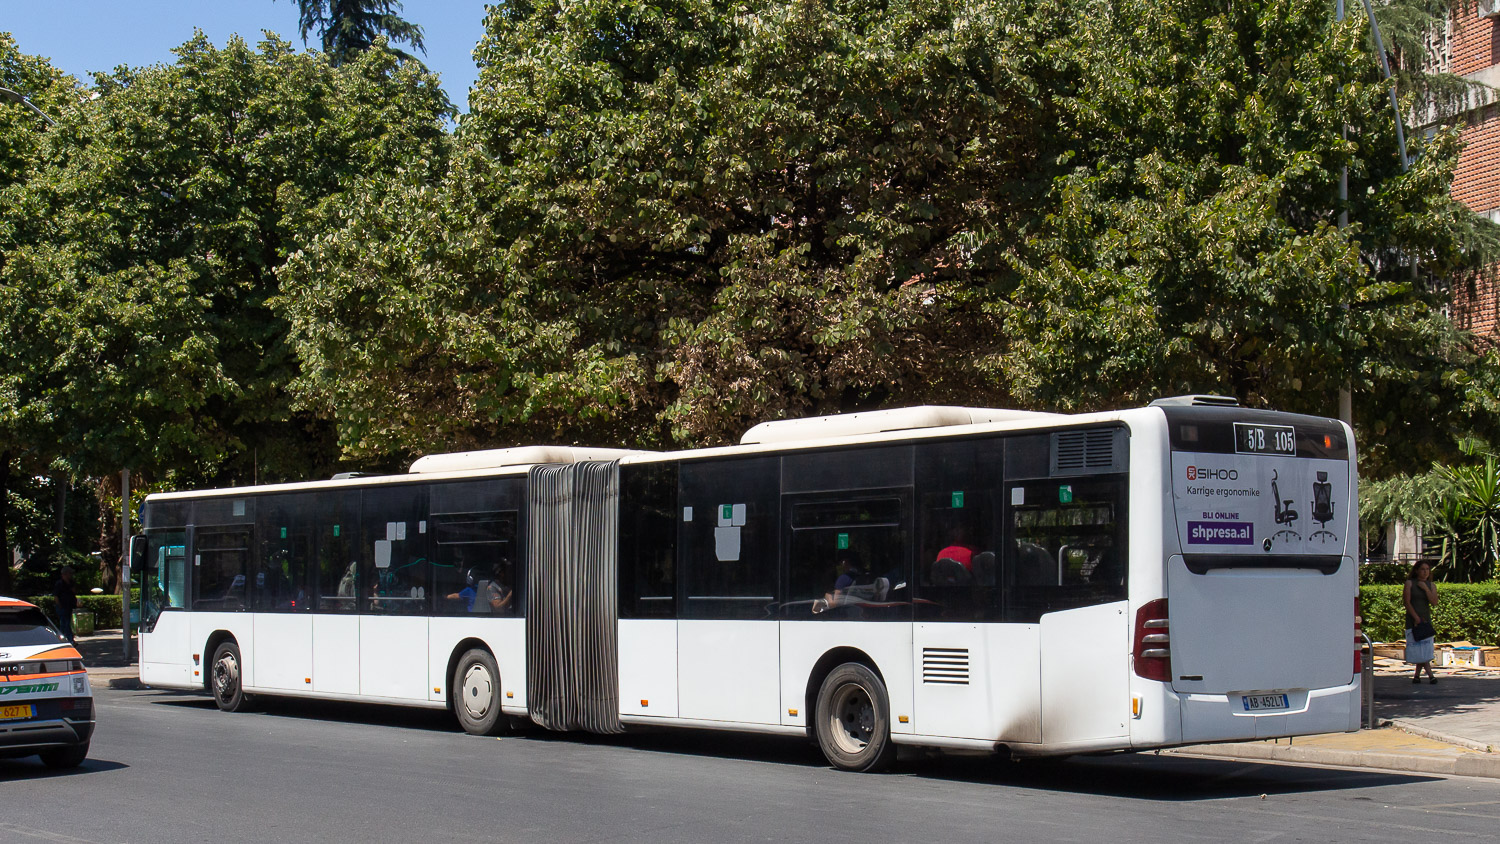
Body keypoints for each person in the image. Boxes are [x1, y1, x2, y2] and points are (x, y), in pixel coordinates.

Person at [1403, 560, 1440, 684]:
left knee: (1424, 649)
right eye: (1422, 569)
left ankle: (1417, 676)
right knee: (1418, 648)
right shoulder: (1409, 583)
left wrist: (1425, 589)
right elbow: (1407, 602)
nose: (1425, 572)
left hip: (1425, 621)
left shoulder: (1431, 585)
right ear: (1417, 570)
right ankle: (1430, 675)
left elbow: (1434, 602)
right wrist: (1416, 618)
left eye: (1427, 569)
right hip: (1413, 620)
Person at [52, 565, 78, 642]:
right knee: (65, 623)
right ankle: (69, 639)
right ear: (65, 574)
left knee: (66, 623)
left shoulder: (71, 583)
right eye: (70, 573)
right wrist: (59, 605)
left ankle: (64, 638)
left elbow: (74, 592)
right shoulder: (59, 583)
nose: (71, 575)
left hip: (69, 606)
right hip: (62, 606)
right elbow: (56, 596)